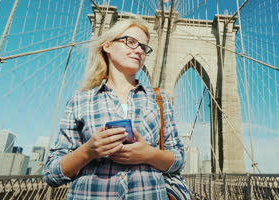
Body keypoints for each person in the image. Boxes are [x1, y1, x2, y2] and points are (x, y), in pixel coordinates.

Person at [44, 16, 185, 199]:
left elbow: (179, 161)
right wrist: (88, 151)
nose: (139, 51)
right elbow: (51, 175)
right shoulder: (80, 100)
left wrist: (148, 154)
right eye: (130, 42)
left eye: (143, 47)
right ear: (107, 46)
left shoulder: (159, 99)